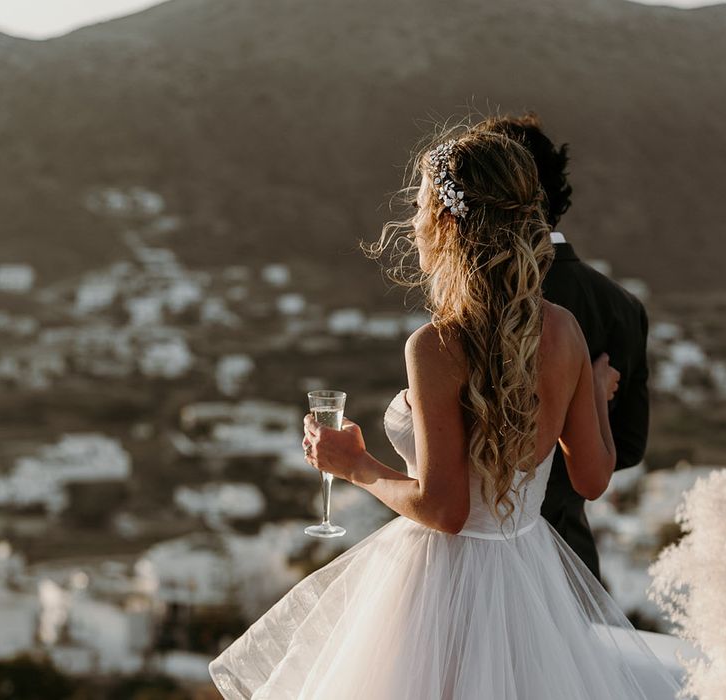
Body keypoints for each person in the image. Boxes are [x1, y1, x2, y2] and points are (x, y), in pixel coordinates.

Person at [209, 123, 679, 698]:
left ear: (448, 224)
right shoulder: (564, 331)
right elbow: (593, 476)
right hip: (530, 578)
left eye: (420, 207)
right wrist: (593, 390)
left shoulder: (436, 346)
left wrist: (354, 464)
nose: (412, 222)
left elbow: (445, 509)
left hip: (442, 588)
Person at [476, 113, 650, 580]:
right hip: (569, 561)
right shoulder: (622, 306)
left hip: (478, 559)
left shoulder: (478, 297)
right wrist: (587, 401)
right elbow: (629, 448)